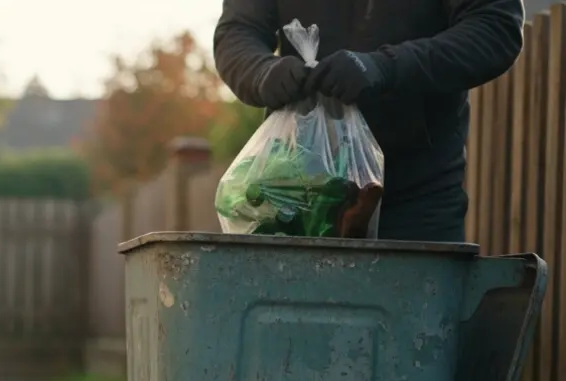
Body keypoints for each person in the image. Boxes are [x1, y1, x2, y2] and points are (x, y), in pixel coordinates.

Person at [214, 0, 525, 243]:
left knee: (415, 307)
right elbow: (238, 30)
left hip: (417, 197)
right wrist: (263, 72)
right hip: (294, 193)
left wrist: (387, 68)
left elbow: (495, 27)